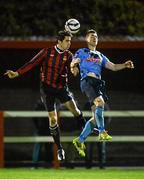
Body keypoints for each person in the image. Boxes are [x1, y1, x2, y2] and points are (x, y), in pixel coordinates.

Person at [4, 30, 86, 161]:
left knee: (75, 110)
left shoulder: (69, 55)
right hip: (47, 89)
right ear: (59, 41)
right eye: (67, 41)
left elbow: (73, 67)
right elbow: (32, 63)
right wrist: (17, 73)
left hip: (61, 88)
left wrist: (75, 69)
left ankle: (84, 133)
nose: (69, 43)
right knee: (53, 119)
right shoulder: (46, 52)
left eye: (70, 41)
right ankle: (60, 149)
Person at [70, 29, 134, 157]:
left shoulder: (100, 55)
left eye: (96, 36)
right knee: (100, 102)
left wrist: (125, 65)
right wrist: (73, 67)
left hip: (97, 83)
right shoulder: (82, 52)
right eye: (92, 36)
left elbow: (113, 67)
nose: (94, 38)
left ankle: (80, 140)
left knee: (95, 118)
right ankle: (102, 132)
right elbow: (73, 62)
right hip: (87, 81)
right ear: (87, 39)